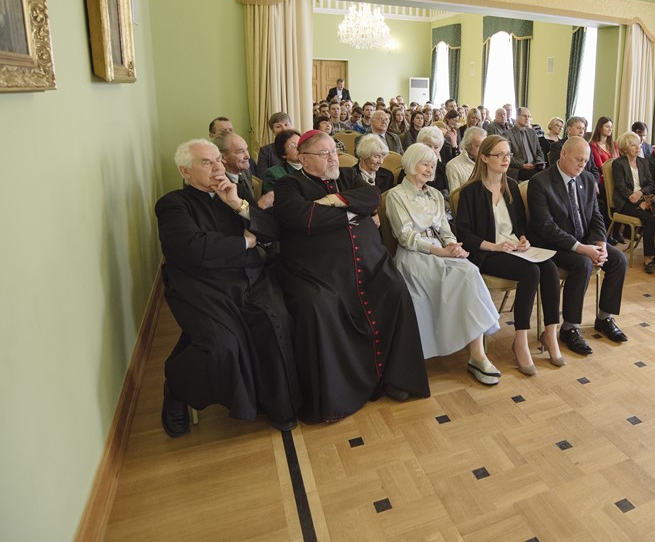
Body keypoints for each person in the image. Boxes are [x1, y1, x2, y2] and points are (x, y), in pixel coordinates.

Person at [274, 131, 428, 421]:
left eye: (334, 151)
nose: (333, 158)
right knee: (320, 306)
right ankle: (340, 395)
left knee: (395, 290)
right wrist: (350, 212)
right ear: (303, 159)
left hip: (371, 265)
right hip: (319, 272)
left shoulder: (348, 175)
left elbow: (371, 198)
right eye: (324, 154)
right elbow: (303, 218)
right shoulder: (289, 184)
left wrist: (331, 201)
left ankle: (396, 379)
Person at [156, 139, 301, 437]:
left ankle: (277, 403)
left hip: (248, 278)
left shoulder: (234, 194)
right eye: (206, 162)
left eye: (218, 161)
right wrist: (244, 242)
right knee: (223, 346)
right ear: (185, 171)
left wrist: (237, 204)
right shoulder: (173, 204)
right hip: (202, 285)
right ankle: (177, 388)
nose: (217, 167)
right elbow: (194, 248)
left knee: (276, 322)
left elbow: (270, 232)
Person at [384, 143, 502, 385]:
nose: (430, 169)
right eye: (424, 164)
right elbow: (405, 237)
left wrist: (453, 246)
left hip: (441, 250)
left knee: (470, 271)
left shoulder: (436, 195)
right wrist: (440, 251)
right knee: (463, 276)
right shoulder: (396, 195)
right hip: (415, 255)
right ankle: (475, 354)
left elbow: (446, 231)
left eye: (432, 165)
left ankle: (477, 353)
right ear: (410, 164)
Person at [455, 135, 564, 373]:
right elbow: (463, 234)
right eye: (500, 155)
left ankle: (550, 332)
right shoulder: (470, 192)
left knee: (549, 267)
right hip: (487, 253)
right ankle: (520, 340)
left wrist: (523, 239)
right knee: (530, 272)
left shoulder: (511, 186)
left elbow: (520, 225)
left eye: (508, 154)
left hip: (514, 249)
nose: (506, 159)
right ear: (484, 158)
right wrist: (494, 246)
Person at [528, 137, 629, 355]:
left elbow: (596, 215)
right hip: (551, 245)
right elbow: (546, 227)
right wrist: (582, 248)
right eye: (578, 159)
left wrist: (601, 243)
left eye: (585, 160)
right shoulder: (540, 182)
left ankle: (605, 318)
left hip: (584, 239)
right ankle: (569, 328)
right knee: (582, 263)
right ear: (563, 154)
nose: (582, 165)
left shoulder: (587, 178)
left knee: (619, 259)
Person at [611, 131, 655, 273]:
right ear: (625, 148)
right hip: (625, 202)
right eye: (634, 145)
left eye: (639, 144)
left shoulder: (643, 162)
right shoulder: (618, 163)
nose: (638, 147)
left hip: (644, 197)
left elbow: (651, 185)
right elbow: (621, 188)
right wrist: (637, 201)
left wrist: (640, 194)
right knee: (650, 219)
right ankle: (648, 258)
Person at [212, 132, 257, 203]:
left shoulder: (245, 170)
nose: (248, 156)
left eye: (246, 149)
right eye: (240, 152)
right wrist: (260, 205)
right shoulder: (218, 184)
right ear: (222, 158)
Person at [507, 107, 545, 180]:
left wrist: (540, 162)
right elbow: (508, 156)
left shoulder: (532, 132)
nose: (527, 118)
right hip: (518, 168)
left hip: (534, 166)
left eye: (529, 116)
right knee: (537, 178)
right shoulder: (508, 134)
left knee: (548, 175)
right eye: (524, 116)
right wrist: (522, 165)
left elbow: (539, 151)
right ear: (517, 116)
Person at [262, 129, 302, 196]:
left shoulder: (313, 167)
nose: (299, 148)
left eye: (300, 143)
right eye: (293, 145)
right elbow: (273, 199)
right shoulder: (274, 174)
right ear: (283, 154)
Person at [447, 125, 486, 192]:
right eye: (478, 146)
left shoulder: (489, 162)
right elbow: (454, 195)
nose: (482, 149)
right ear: (468, 145)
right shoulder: (453, 166)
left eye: (484, 146)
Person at [255, 112, 292, 180]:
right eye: (278, 126)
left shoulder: (301, 146)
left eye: (286, 124)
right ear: (273, 131)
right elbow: (263, 176)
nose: (284, 129)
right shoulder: (265, 151)